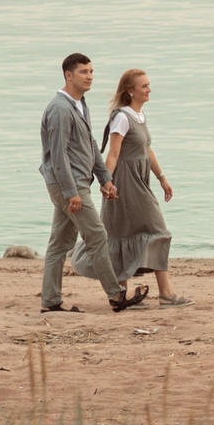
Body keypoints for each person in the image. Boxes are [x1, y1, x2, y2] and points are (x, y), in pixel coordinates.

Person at [38, 52, 144, 313]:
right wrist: (70, 192)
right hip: (69, 185)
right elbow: (59, 155)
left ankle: (50, 301)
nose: (90, 77)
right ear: (68, 75)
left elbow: (91, 144)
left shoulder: (79, 104)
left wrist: (104, 178)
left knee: (59, 244)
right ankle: (116, 295)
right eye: (83, 72)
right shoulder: (60, 109)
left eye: (91, 72)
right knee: (97, 235)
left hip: (75, 183)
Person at [100, 67, 188, 307]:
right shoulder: (122, 117)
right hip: (125, 182)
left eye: (149, 85)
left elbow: (146, 150)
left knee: (129, 231)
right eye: (144, 86)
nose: (149, 89)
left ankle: (122, 294)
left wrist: (161, 177)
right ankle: (165, 293)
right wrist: (107, 182)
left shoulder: (139, 116)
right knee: (154, 230)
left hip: (140, 179)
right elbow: (113, 154)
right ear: (130, 91)